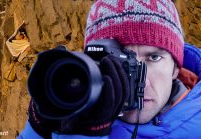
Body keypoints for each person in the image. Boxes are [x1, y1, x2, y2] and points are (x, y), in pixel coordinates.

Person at [18, 0, 201, 138]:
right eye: (120, 60)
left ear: (176, 67)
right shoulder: (69, 122)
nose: (140, 81)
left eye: (154, 58)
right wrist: (39, 130)